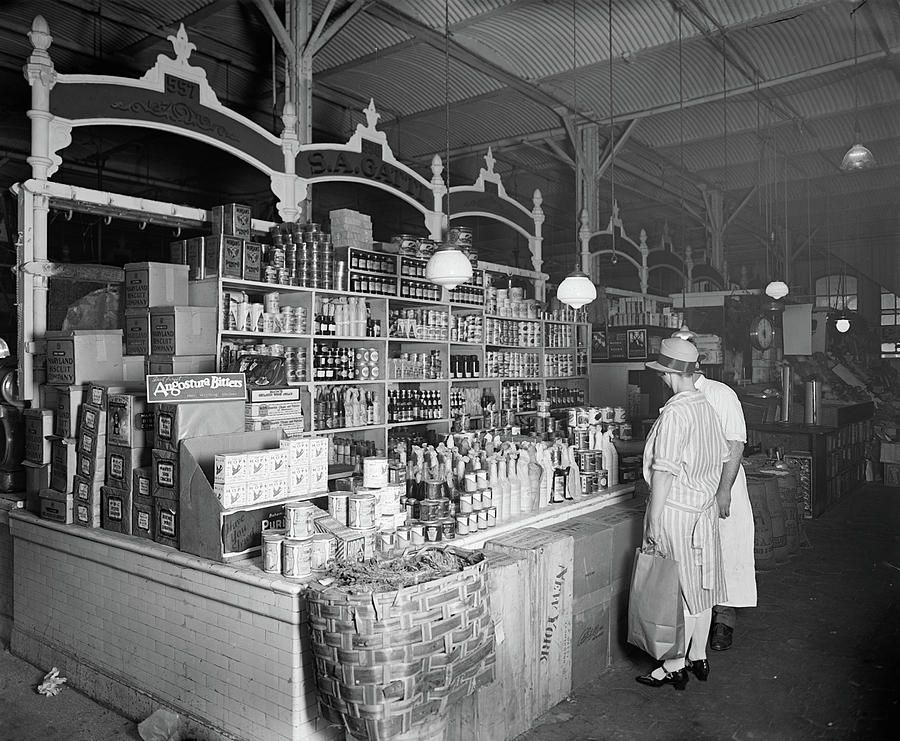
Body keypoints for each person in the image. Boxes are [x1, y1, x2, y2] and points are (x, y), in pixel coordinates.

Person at [636, 338, 728, 690]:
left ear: (669, 374)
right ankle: (699, 655)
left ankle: (673, 665)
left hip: (677, 511)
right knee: (702, 587)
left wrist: (654, 519)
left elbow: (664, 470)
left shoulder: (676, 411)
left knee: (678, 593)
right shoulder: (704, 404)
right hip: (701, 511)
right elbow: (720, 457)